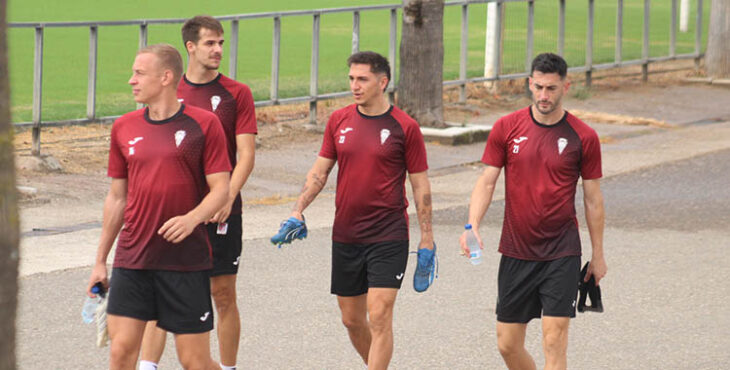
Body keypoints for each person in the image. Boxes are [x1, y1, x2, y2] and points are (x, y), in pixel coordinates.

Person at [270, 51, 436, 369]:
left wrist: (426, 238)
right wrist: (297, 210)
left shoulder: (405, 127)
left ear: (382, 82)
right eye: (351, 79)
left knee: (380, 314)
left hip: (388, 234)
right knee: (351, 320)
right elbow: (319, 173)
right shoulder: (339, 120)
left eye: (362, 79)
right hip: (346, 234)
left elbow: (420, 186)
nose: (354, 86)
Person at [86, 43, 231, 370]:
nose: (131, 81)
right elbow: (117, 197)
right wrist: (100, 261)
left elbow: (221, 189)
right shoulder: (124, 127)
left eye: (139, 73)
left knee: (194, 360)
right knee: (121, 351)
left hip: (185, 260)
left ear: (166, 77)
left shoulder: (204, 124)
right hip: (133, 257)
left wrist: (193, 219)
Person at [459, 52, 607, 370]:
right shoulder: (506, 127)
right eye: (538, 87)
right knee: (508, 344)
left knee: (554, 341)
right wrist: (472, 225)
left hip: (561, 252)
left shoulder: (584, 137)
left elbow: (593, 199)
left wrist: (598, 254)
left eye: (551, 88)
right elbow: (487, 182)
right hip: (516, 251)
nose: (544, 95)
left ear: (566, 86)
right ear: (529, 83)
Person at [139, 16, 257, 370]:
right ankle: (148, 366)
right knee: (162, 291)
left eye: (221, 43)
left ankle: (229, 367)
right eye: (210, 43)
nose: (218, 49)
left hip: (223, 212)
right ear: (190, 47)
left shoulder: (238, 94)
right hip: (174, 212)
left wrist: (225, 198)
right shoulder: (170, 91)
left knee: (222, 295)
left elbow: (246, 155)